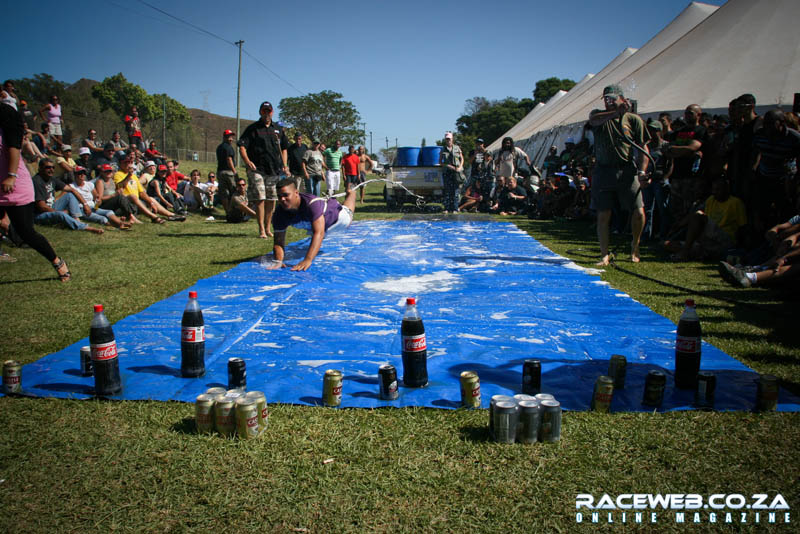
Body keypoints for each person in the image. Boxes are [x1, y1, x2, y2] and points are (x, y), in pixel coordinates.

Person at [0, 102, 71, 280]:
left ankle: (57, 262)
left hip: (14, 184)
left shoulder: (5, 116)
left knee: (26, 232)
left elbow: (15, 148)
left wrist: (11, 175)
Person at [588, 84, 650, 265]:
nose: (608, 102)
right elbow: (593, 121)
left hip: (627, 170)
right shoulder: (599, 115)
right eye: (606, 99)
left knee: (638, 210)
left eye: (612, 99)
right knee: (603, 213)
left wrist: (642, 171)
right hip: (604, 170)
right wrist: (615, 113)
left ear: (622, 99)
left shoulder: (633, 119)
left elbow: (643, 147)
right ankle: (604, 254)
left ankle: (635, 246)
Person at [271, 177, 356, 271]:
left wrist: (308, 259)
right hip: (318, 226)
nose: (282, 199)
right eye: (279, 196)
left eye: (286, 195)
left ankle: (351, 193)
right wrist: (278, 261)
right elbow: (278, 241)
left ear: (296, 193)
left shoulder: (311, 203)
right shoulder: (279, 214)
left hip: (338, 221)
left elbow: (319, 233)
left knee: (348, 211)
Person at [238, 101, 289, 239]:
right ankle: (261, 229)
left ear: (272, 112)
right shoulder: (253, 129)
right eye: (264, 111)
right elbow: (242, 146)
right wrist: (247, 162)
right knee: (260, 198)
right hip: (257, 170)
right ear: (260, 112)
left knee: (271, 199)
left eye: (269, 111)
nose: (266, 113)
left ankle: (268, 227)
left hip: (274, 170)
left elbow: (284, 148)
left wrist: (284, 164)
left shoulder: (278, 129)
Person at [664, 177, 746, 261]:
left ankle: (685, 252)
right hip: (708, 240)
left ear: (726, 189)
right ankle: (702, 254)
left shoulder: (735, 203)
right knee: (667, 244)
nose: (715, 192)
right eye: (713, 189)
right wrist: (678, 225)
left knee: (698, 215)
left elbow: (743, 226)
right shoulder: (711, 200)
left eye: (718, 189)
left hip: (724, 238)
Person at [32, 159, 104, 234]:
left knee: (70, 194)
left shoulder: (52, 179)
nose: (51, 170)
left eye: (53, 167)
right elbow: (42, 207)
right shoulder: (37, 182)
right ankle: (86, 227)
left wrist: (85, 204)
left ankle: (76, 219)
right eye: (48, 167)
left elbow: (72, 190)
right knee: (61, 214)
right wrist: (60, 212)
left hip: (52, 206)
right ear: (40, 168)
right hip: (40, 214)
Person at [114, 153, 180, 224]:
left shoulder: (134, 176)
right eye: (126, 162)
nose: (129, 164)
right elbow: (119, 187)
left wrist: (151, 203)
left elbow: (142, 192)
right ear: (120, 163)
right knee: (133, 196)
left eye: (130, 162)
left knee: (151, 199)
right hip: (126, 204)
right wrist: (128, 176)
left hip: (137, 203)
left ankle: (171, 215)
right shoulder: (118, 174)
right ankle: (154, 217)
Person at [439, 132, 463, 213]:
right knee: (447, 191)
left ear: (452, 139)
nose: (448, 140)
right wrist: (448, 166)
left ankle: (455, 208)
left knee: (455, 191)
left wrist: (460, 167)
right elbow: (440, 162)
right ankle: (446, 208)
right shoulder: (443, 149)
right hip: (447, 172)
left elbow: (462, 159)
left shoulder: (457, 148)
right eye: (446, 139)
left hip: (456, 172)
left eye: (449, 139)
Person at [216, 129, 237, 212]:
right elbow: (229, 159)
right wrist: (234, 171)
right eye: (229, 137)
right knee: (233, 191)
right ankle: (233, 211)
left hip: (220, 172)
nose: (231, 139)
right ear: (224, 137)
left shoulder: (219, 147)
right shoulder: (228, 147)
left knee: (223, 193)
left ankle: (227, 212)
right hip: (228, 172)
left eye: (231, 137)